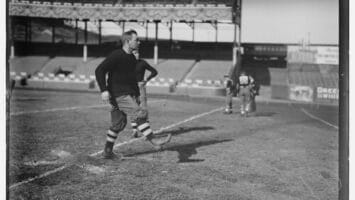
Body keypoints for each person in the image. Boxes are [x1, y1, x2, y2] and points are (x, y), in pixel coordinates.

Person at [95, 30, 156, 159]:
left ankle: (107, 151)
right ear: (128, 41)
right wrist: (103, 90)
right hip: (118, 95)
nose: (139, 42)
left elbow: (131, 79)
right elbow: (99, 70)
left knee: (119, 124)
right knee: (139, 113)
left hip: (124, 94)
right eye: (136, 40)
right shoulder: (116, 55)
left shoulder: (132, 58)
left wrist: (137, 94)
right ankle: (154, 141)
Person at [131, 49, 158, 138]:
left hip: (140, 87)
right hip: (130, 88)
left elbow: (154, 72)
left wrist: (147, 79)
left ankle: (146, 133)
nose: (136, 54)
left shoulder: (143, 63)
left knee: (143, 109)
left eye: (137, 53)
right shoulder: (126, 64)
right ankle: (135, 130)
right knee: (133, 108)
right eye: (134, 53)